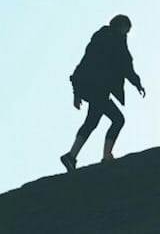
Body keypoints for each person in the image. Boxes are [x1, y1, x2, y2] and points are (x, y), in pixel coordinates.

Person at [61, 14, 146, 171]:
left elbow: (85, 63)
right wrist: (137, 83)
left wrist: (77, 92)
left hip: (95, 88)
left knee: (93, 122)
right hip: (99, 89)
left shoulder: (102, 39)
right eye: (126, 30)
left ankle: (72, 156)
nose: (126, 33)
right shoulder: (113, 42)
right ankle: (104, 156)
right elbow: (125, 65)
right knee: (116, 120)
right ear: (120, 26)